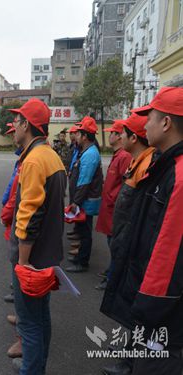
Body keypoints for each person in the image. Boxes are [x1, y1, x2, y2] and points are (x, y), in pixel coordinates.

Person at [102, 87, 183, 375]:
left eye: (150, 117)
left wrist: (147, 305)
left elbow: (168, 250)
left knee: (156, 363)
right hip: (147, 284)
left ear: (166, 123)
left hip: (161, 304)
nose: (145, 124)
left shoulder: (178, 173)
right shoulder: (167, 164)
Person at [8, 98, 66, 374]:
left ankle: (31, 369)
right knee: (41, 317)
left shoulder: (33, 161)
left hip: (33, 260)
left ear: (28, 125)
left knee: (30, 322)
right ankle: (36, 366)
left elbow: (28, 217)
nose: (14, 127)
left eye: (17, 122)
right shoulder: (51, 156)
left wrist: (22, 263)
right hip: (48, 255)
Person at [100, 113, 156, 375]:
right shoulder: (138, 160)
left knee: (137, 305)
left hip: (135, 247)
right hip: (125, 240)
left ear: (134, 138)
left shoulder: (148, 165)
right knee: (128, 301)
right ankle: (129, 350)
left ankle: (130, 363)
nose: (118, 137)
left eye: (122, 133)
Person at [94, 119, 132, 290]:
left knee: (115, 245)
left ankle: (113, 278)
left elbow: (126, 185)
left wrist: (111, 198)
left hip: (114, 209)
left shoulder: (124, 156)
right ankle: (112, 271)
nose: (109, 136)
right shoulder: (119, 155)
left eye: (112, 133)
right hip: (110, 208)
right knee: (112, 243)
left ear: (119, 136)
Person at [66, 116, 103, 273]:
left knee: (85, 232)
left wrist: (76, 202)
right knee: (82, 230)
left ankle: (82, 262)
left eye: (79, 134)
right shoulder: (86, 151)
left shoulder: (90, 154)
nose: (76, 136)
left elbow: (84, 181)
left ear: (85, 136)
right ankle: (80, 256)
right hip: (83, 200)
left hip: (85, 201)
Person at [0, 122, 23, 359]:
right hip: (14, 227)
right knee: (18, 279)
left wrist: (5, 214)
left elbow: (18, 197)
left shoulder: (33, 161)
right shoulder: (24, 159)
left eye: (14, 129)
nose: (12, 135)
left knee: (23, 278)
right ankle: (21, 315)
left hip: (21, 233)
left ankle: (24, 341)